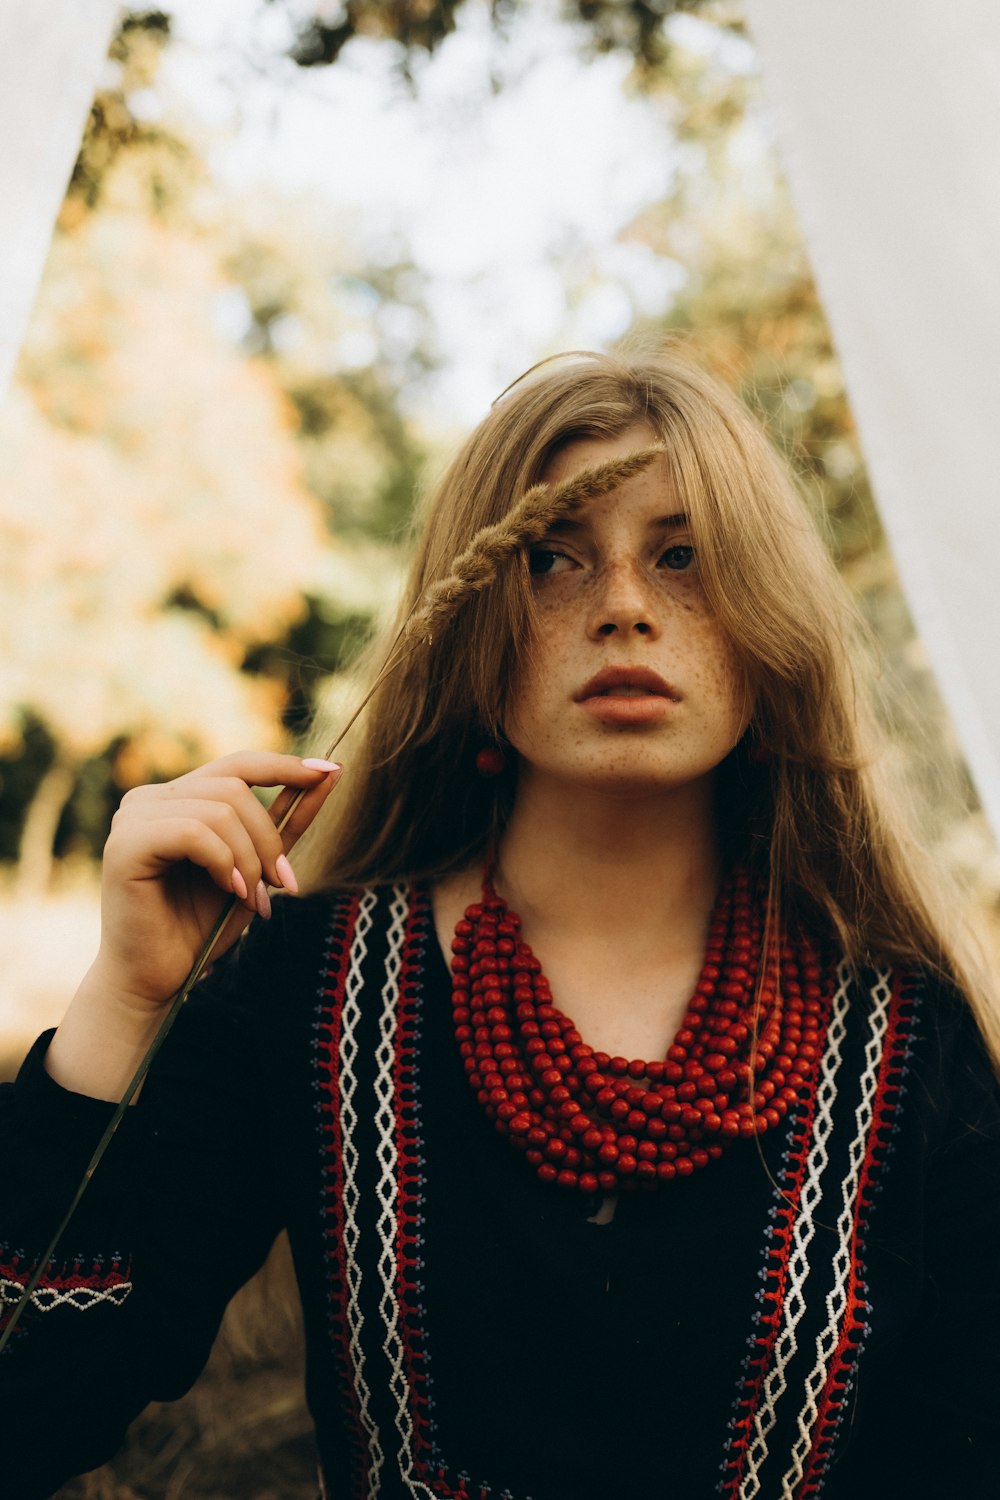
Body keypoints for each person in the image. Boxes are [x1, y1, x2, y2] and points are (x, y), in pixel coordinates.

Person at [2, 347, 999, 1500]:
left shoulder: (902, 1034)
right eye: (551, 562)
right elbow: (30, 1411)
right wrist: (123, 1003)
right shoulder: (312, 984)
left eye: (683, 557)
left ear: (763, 621)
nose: (624, 606)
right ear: (471, 625)